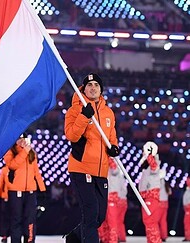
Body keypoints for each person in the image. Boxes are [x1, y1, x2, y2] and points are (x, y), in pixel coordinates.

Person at [64, 73, 119, 243]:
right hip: (81, 168)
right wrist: (84, 116)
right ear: (83, 89)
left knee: (99, 216)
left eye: (96, 84)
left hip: (101, 170)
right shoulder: (75, 110)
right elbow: (71, 135)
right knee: (91, 211)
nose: (93, 87)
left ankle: (74, 237)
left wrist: (114, 147)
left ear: (101, 89)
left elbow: (111, 137)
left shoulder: (108, 112)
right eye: (89, 85)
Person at [3, 134, 46, 243]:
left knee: (30, 219)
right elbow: (12, 165)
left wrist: (42, 189)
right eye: (19, 139)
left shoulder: (31, 152)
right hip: (15, 190)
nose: (22, 141)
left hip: (30, 191)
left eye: (23, 139)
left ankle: (30, 240)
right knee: (16, 219)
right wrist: (24, 151)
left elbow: (36, 172)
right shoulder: (10, 151)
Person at [138, 141, 162, 243]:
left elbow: (154, 167)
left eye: (144, 151)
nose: (143, 153)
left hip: (151, 195)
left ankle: (155, 241)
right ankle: (152, 240)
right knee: (148, 221)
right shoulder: (147, 166)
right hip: (147, 196)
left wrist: (150, 154)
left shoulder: (154, 163)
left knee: (150, 220)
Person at [158, 169, 171, 242]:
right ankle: (164, 236)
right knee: (163, 221)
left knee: (157, 221)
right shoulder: (166, 184)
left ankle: (158, 235)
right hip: (165, 204)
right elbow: (170, 193)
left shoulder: (158, 183)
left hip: (159, 203)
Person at [183, 178, 190, 242]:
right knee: (187, 223)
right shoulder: (188, 188)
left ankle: (189, 237)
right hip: (188, 207)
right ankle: (188, 237)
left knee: (187, 223)